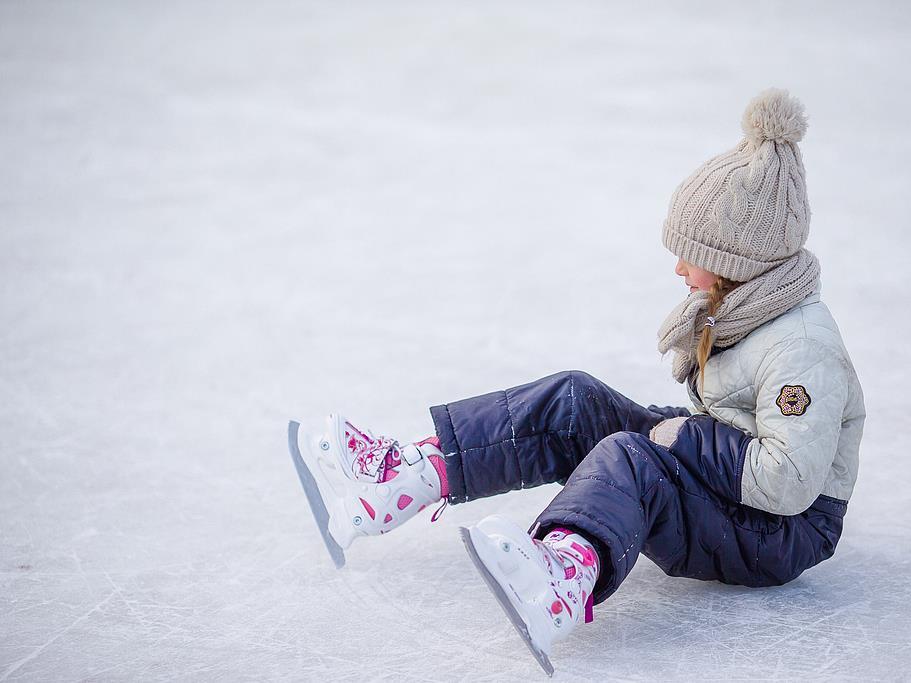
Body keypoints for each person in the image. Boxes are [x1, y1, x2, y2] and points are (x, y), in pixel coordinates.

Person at [287, 88, 866, 675]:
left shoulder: (801, 348)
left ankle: (564, 578)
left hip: (780, 532)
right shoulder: (751, 305)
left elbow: (789, 482)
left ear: (738, 262)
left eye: (692, 254)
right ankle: (402, 479)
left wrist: (685, 439)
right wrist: (684, 435)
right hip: (736, 486)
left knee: (631, 458)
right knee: (575, 403)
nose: (678, 268)